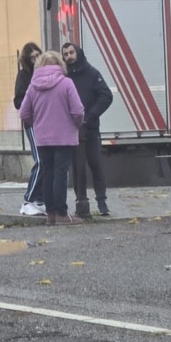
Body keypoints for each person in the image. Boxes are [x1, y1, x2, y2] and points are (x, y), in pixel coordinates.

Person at [18, 50, 85, 226]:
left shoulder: (33, 86)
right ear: (59, 65)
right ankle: (62, 213)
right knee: (60, 173)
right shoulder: (66, 83)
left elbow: (24, 112)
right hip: (65, 137)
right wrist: (75, 125)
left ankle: (51, 214)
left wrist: (37, 123)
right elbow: (78, 111)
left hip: (42, 138)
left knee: (47, 174)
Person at [61, 42, 114, 218]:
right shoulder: (64, 76)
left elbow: (106, 95)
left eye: (71, 52)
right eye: (66, 54)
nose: (69, 56)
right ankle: (81, 202)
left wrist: (91, 115)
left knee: (96, 164)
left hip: (90, 129)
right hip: (73, 130)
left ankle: (102, 202)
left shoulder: (92, 73)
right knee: (78, 168)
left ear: (78, 53)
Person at [13, 41, 45, 217]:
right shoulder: (24, 76)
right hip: (33, 122)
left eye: (37, 55)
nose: (35, 60)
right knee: (40, 160)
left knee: (46, 161)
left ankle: (40, 199)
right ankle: (28, 201)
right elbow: (18, 101)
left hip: (46, 122)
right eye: (31, 57)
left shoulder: (47, 73)